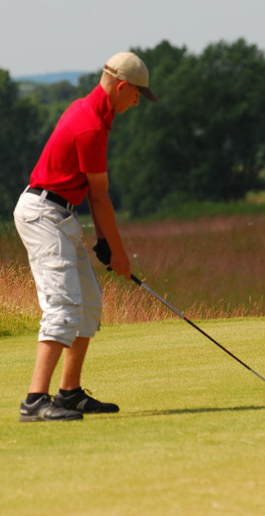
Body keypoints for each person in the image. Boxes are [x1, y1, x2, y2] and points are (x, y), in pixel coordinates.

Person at [13, 52, 158, 422]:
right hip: (43, 213)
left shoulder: (94, 114)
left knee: (88, 303)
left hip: (60, 213)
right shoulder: (90, 125)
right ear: (122, 87)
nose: (138, 100)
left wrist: (106, 244)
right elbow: (99, 196)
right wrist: (120, 255)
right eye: (138, 93)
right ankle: (34, 401)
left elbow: (91, 195)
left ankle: (69, 394)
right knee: (63, 305)